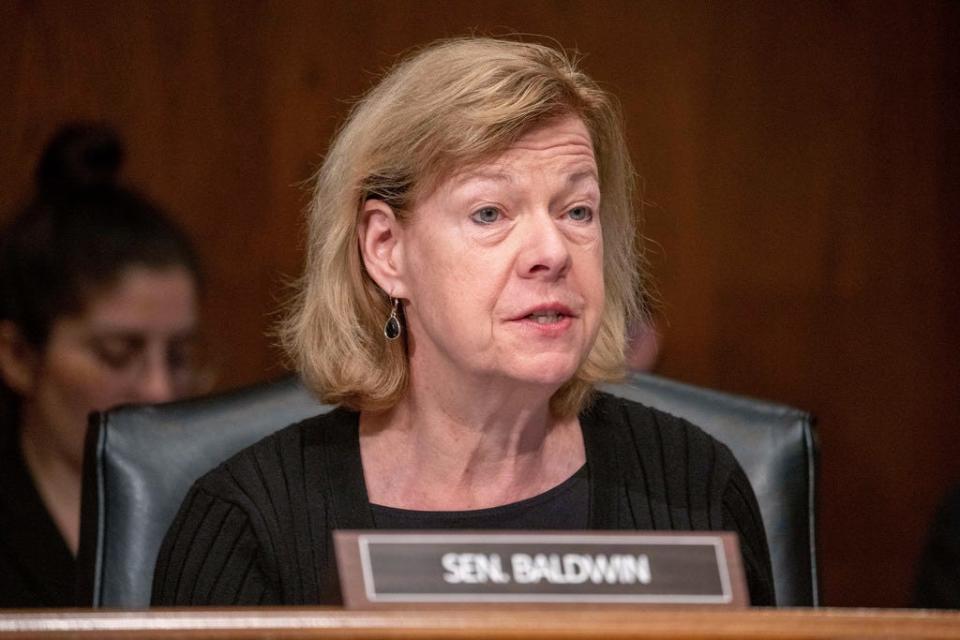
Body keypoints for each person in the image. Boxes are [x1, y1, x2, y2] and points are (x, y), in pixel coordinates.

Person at [152, 37, 775, 606]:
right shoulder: (249, 523)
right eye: (490, 213)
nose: (552, 251)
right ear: (386, 250)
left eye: (577, 210)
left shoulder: (696, 488)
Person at [0, 124, 203, 607]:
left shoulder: (218, 512)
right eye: (117, 354)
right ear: (19, 357)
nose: (159, 390)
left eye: (178, 357)